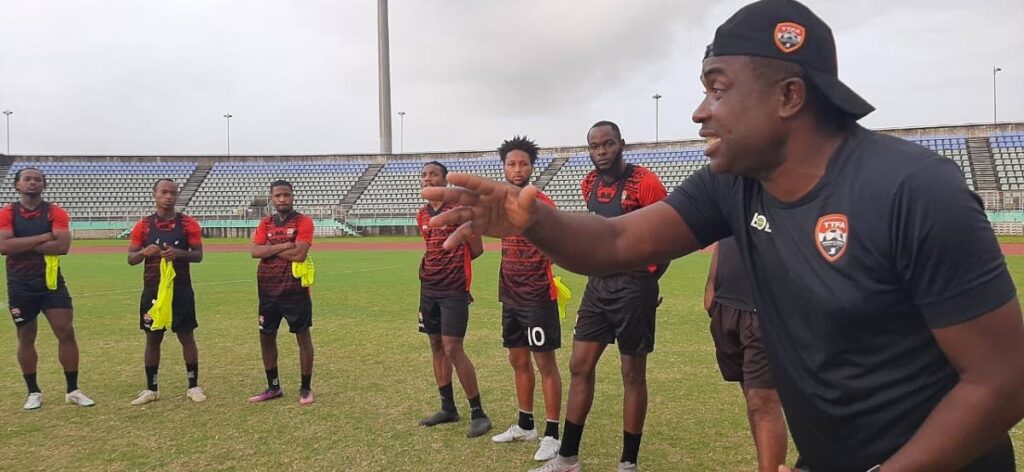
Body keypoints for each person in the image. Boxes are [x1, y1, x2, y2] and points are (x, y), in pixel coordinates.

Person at [421, 0, 1024, 470]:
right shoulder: (733, 184)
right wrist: (535, 221)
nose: (699, 111)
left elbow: (1003, 379)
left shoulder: (916, 192)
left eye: (717, 87)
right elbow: (613, 246)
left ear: (790, 96)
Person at [542, 121, 669, 472]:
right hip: (598, 286)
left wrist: (649, 281)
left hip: (634, 287)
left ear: (621, 144)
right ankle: (567, 458)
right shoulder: (588, 183)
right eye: (595, 146)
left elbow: (666, 238)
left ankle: (628, 463)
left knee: (632, 373)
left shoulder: (646, 183)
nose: (601, 151)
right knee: (579, 365)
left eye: (608, 144)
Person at [489, 136, 564, 461]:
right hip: (510, 295)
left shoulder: (543, 203)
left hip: (537, 296)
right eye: (511, 163)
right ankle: (525, 424)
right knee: (517, 361)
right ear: (503, 167)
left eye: (523, 163)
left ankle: (552, 434)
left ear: (532, 167)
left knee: (545, 363)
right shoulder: (500, 204)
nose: (517, 169)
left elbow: (558, 244)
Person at [0, 167, 95, 410]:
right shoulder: (7, 213)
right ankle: (33, 392)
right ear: (17, 185)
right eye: (27, 179)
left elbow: (62, 246)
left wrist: (22, 244)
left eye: (37, 180)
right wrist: (43, 238)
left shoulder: (55, 212)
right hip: (20, 283)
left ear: (44, 185)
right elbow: (4, 246)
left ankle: (72, 389)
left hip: (51, 282)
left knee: (65, 332)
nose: (33, 183)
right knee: (26, 336)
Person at [416, 161, 492, 438]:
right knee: (436, 346)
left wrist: (452, 267)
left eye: (433, 174)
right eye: (424, 175)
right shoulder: (422, 214)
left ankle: (478, 413)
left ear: (445, 181)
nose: (428, 179)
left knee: (453, 348)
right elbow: (429, 246)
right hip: (428, 289)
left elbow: (477, 249)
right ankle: (448, 408)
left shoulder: (460, 212)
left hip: (454, 290)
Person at [704, 237, 786, 471]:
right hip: (728, 303)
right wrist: (711, 284)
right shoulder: (733, 200)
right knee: (753, 399)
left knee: (762, 400)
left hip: (764, 308)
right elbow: (724, 233)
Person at [126, 178, 206, 405]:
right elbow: (131, 259)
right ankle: (151, 389)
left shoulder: (188, 224)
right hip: (153, 289)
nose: (168, 196)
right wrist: (144, 252)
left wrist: (179, 254)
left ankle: (193, 385)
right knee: (153, 338)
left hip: (180, 288)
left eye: (172, 193)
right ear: (155, 194)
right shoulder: (143, 225)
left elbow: (198, 255)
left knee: (186, 336)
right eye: (164, 192)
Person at [247, 180, 315, 406]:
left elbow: (300, 255)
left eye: (286, 195)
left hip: (295, 289)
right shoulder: (265, 222)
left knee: (302, 336)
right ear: (272, 198)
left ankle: (305, 388)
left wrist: (270, 249)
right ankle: (273, 387)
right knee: (266, 336)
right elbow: (255, 251)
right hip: (267, 290)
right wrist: (284, 245)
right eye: (278, 196)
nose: (282, 199)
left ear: (293, 196)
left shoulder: (303, 221)